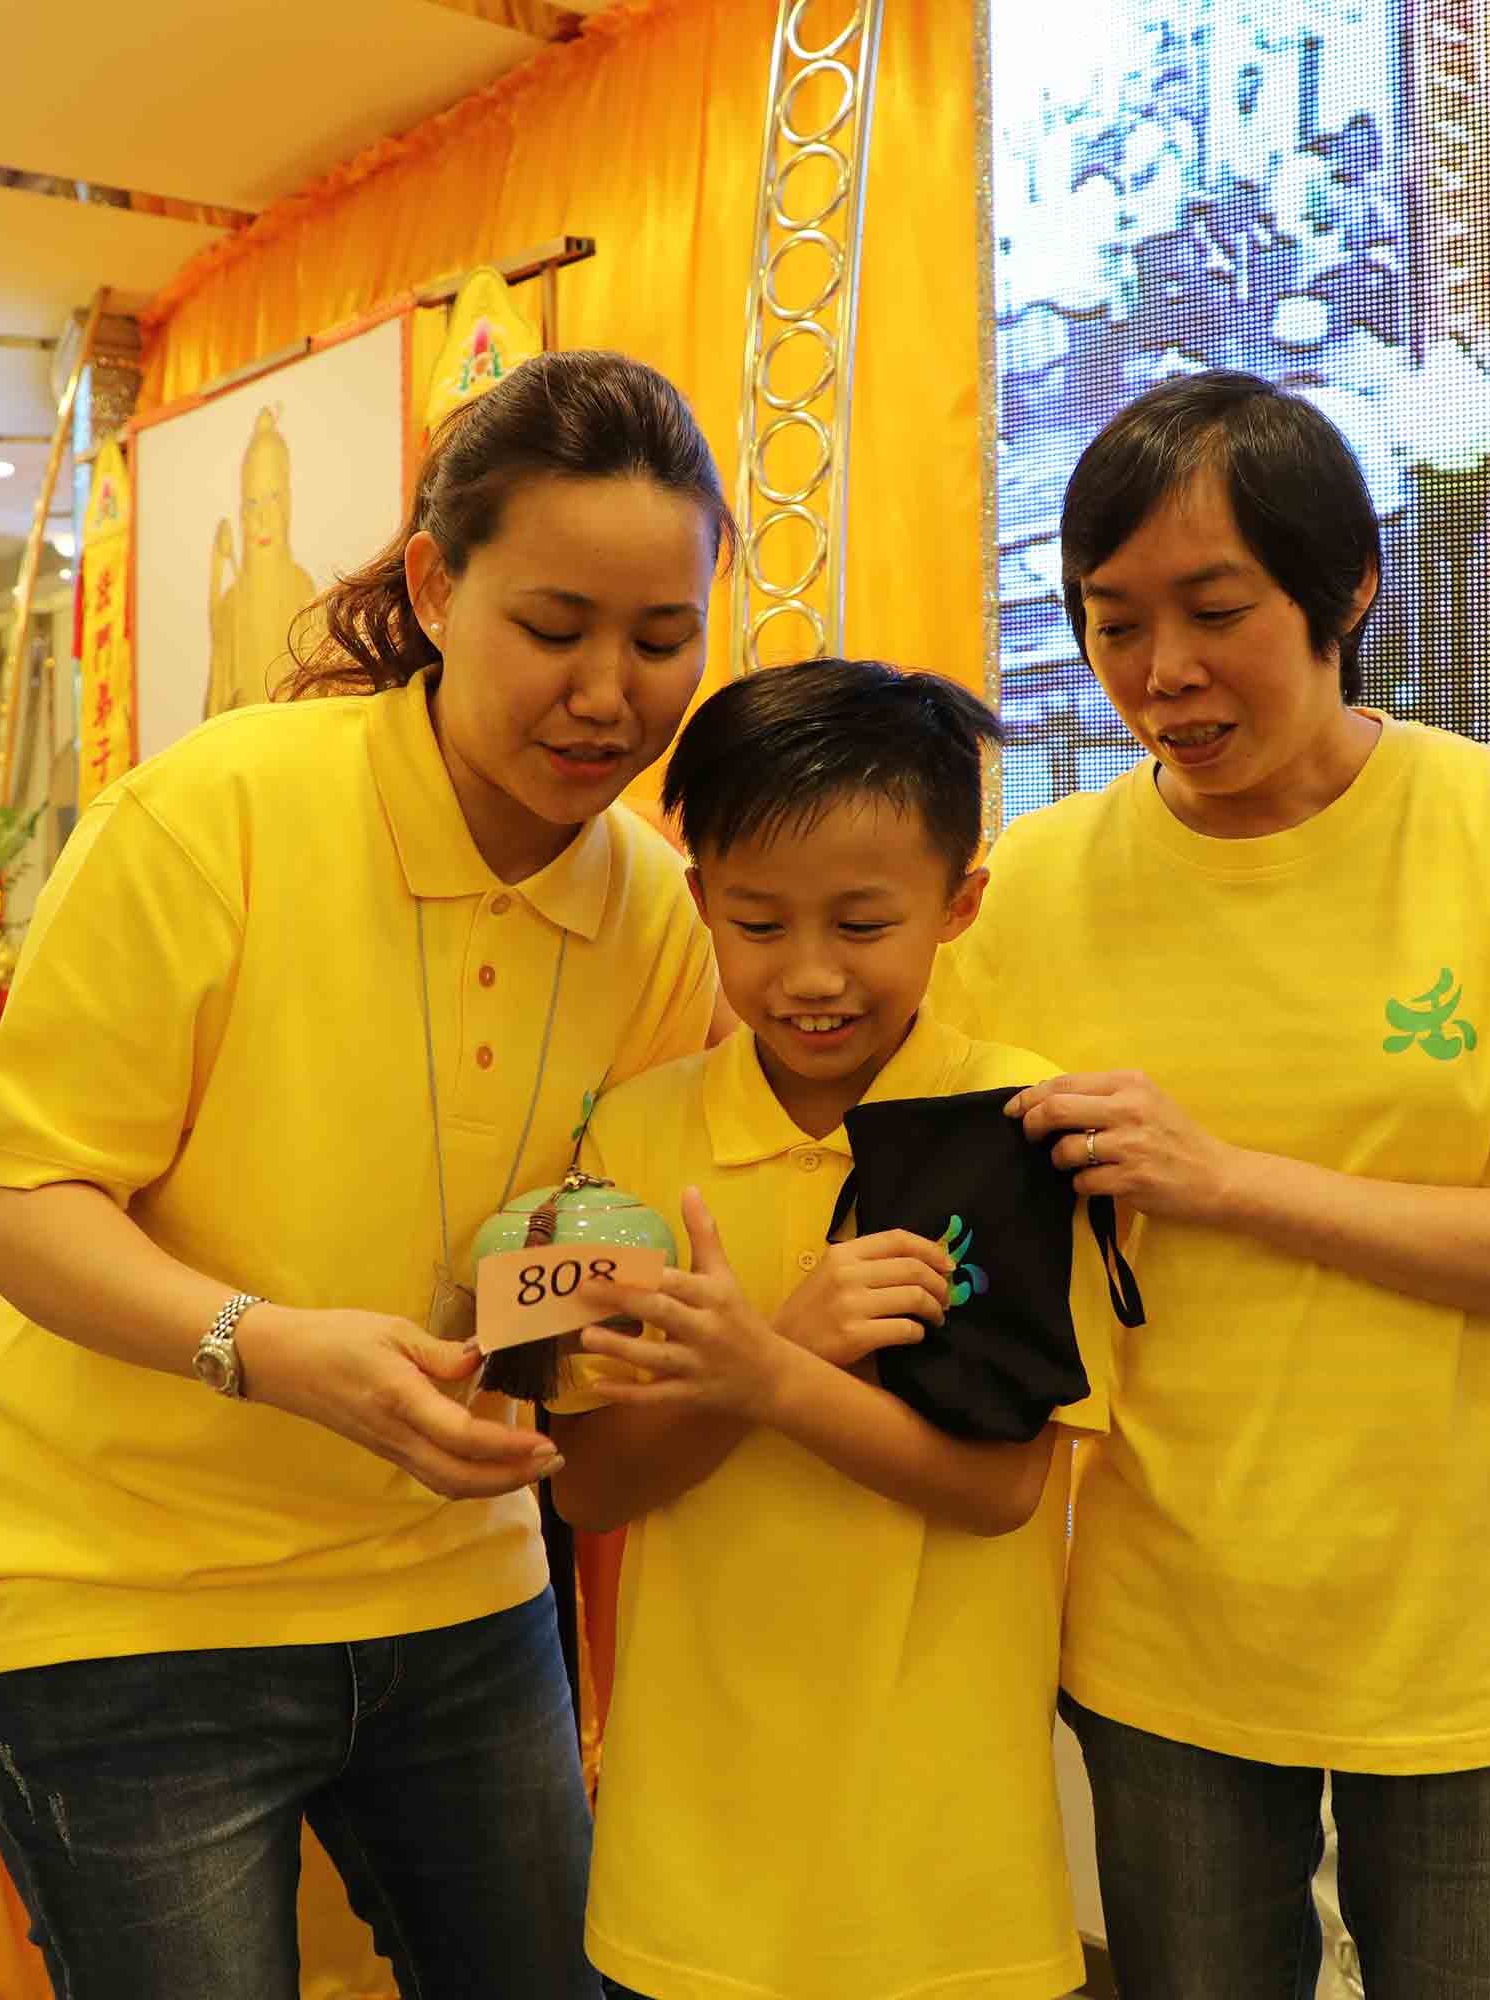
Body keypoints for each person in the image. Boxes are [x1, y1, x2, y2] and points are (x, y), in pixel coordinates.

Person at [0, 350, 732, 2000]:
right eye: (555, 627)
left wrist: (608, 1343)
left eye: (663, 641)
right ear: (435, 588)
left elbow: (578, 1240)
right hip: (121, 1594)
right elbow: (14, 1207)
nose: (610, 694)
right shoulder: (215, 815)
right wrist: (271, 1347)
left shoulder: (657, 912)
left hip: (458, 1583)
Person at [933, 370, 1490, 2000]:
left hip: (1477, 1635)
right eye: (1114, 624)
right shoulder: (1034, 884)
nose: (1164, 673)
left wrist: (1226, 1180)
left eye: (1216, 612)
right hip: (1166, 1631)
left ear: (1348, 591)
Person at [545, 660, 1110, 2000]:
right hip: (687, 1871)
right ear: (699, 903)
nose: (810, 975)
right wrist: (768, 1363)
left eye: (862, 924)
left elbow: (1000, 1491)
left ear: (960, 902)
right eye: (758, 922)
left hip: (946, 1878)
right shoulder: (624, 1139)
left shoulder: (1022, 1128)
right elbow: (590, 1486)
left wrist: (768, 1374)